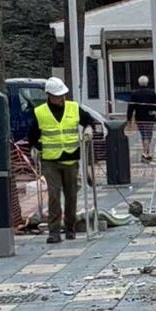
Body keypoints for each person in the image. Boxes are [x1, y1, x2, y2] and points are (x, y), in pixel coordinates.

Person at [28, 76, 101, 243]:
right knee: (54, 195)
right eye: (57, 95)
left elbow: (89, 121)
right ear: (49, 95)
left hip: (71, 159)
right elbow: (32, 135)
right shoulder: (40, 112)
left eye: (62, 95)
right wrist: (34, 148)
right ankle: (54, 232)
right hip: (50, 160)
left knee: (71, 195)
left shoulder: (74, 108)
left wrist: (89, 129)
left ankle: (70, 228)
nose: (61, 98)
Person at [125, 76, 156, 162]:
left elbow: (131, 107)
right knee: (148, 134)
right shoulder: (151, 93)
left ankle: (146, 152)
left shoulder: (135, 94)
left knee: (144, 135)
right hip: (149, 118)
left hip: (139, 118)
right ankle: (145, 153)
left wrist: (129, 119)